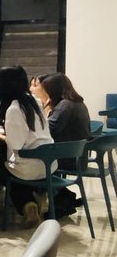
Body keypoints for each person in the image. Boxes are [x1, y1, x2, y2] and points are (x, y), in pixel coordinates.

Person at [0, 66, 54, 229]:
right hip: (48, 164)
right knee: (8, 166)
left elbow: (16, 144)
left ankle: (27, 205)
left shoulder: (14, 109)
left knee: (0, 170)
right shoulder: (35, 102)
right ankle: (35, 198)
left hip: (27, 165)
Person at [41, 72, 91, 216]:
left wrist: (46, 110)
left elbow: (48, 130)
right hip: (77, 156)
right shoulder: (78, 103)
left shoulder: (64, 106)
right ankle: (66, 196)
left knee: (34, 165)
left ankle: (61, 202)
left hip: (66, 158)